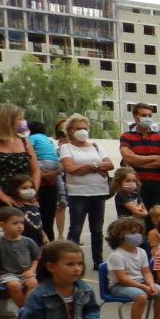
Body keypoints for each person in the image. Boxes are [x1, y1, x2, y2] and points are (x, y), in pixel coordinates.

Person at [59, 114, 113, 271]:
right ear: (70, 131)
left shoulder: (96, 146)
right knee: (75, 228)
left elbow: (109, 165)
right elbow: (70, 169)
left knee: (97, 229)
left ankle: (98, 260)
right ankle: (68, 259)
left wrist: (88, 167)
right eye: (78, 128)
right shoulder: (66, 148)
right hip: (78, 194)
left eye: (84, 128)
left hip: (99, 192)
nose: (83, 131)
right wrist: (96, 166)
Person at [105, 216, 160, 319]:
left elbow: (146, 272)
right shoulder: (117, 255)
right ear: (120, 235)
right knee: (141, 297)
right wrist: (143, 287)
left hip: (139, 282)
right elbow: (122, 279)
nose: (137, 235)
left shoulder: (141, 252)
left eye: (138, 232)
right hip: (120, 285)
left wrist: (151, 285)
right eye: (132, 233)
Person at [0, 104, 41, 208]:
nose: (23, 122)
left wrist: (32, 193)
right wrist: (1, 196)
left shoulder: (24, 141)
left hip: (24, 197)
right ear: (8, 121)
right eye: (20, 119)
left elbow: (36, 171)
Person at [119, 103, 160, 212]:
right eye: (143, 115)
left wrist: (137, 161)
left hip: (158, 185)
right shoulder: (126, 136)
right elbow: (128, 158)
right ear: (135, 116)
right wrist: (155, 157)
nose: (147, 118)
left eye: (149, 115)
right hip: (137, 184)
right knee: (139, 217)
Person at [0, 207, 40, 308]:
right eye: (15, 223)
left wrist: (31, 270)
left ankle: (28, 308)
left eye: (22, 223)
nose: (20, 226)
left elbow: (36, 258)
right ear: (2, 225)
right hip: (6, 274)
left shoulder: (28, 241)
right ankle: (22, 309)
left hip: (25, 273)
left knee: (33, 283)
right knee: (15, 285)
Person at [26, 120, 61, 241]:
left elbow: (28, 154)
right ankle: (62, 197)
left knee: (44, 222)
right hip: (53, 167)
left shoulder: (30, 140)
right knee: (43, 223)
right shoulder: (48, 140)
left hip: (46, 186)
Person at [5, 175, 46, 246]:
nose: (29, 190)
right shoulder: (14, 208)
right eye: (24, 188)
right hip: (22, 243)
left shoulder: (34, 205)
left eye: (31, 187)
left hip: (37, 242)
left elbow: (38, 223)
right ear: (15, 190)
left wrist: (43, 233)